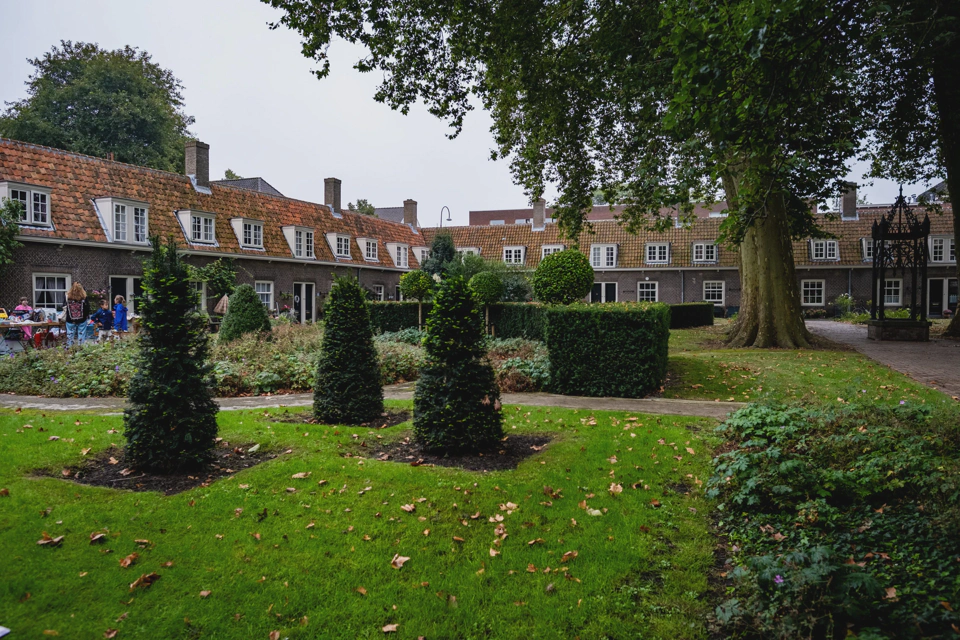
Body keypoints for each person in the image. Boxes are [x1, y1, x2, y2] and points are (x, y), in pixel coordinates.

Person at [64, 283, 89, 347]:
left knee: (70, 335)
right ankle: (80, 349)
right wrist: (86, 316)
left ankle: (69, 349)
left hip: (70, 319)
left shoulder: (67, 296)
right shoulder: (84, 297)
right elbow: (87, 308)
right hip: (82, 319)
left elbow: (64, 306)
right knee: (81, 335)